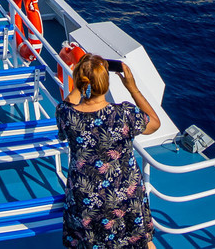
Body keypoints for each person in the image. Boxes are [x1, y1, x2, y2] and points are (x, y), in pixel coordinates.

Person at [57, 53, 160, 248]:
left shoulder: (66, 114)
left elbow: (70, 101)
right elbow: (154, 124)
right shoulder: (124, 114)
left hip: (85, 198)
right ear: (106, 83)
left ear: (80, 80)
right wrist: (132, 88)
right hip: (124, 197)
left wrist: (80, 84)